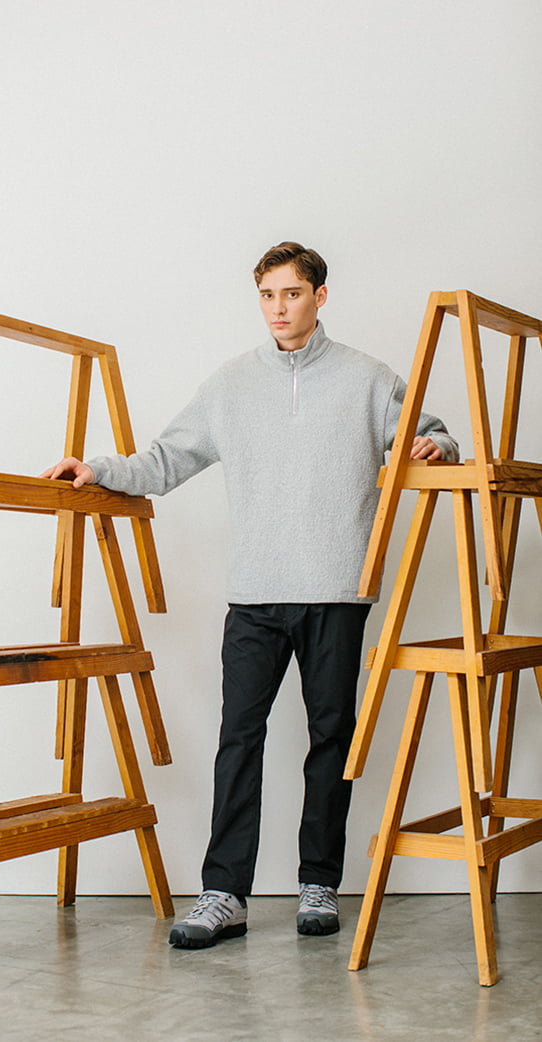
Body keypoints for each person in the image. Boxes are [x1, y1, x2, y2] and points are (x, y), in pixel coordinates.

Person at [42, 242, 459, 948]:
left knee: (331, 739)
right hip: (255, 594)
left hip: (336, 590)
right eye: (267, 295)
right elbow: (165, 460)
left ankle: (319, 883)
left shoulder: (366, 378)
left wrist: (437, 448)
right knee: (238, 738)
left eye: (292, 293)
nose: (278, 308)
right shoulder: (231, 384)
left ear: (319, 296)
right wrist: (99, 468)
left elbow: (433, 433)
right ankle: (224, 894)